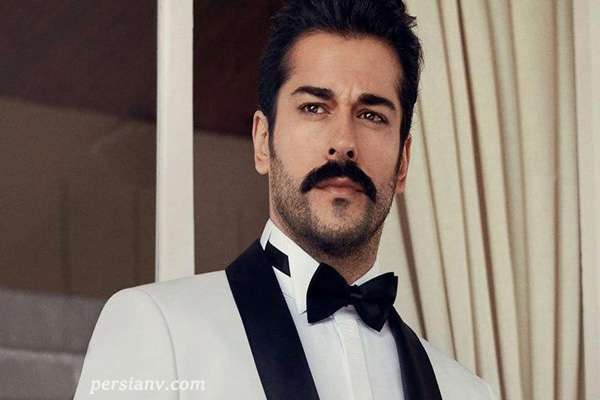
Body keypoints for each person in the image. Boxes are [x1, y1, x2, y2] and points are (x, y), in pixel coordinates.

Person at [75, 0, 495, 399]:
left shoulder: (466, 392)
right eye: (314, 107)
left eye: (371, 115)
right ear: (263, 141)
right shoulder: (154, 326)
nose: (343, 142)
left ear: (403, 162)